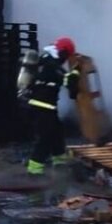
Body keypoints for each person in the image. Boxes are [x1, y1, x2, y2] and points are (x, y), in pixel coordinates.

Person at [25, 37, 81, 176]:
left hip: (46, 106)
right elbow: (70, 88)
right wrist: (76, 73)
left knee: (57, 132)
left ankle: (60, 163)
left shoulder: (46, 58)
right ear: (62, 52)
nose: (66, 59)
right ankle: (34, 172)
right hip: (42, 107)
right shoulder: (53, 65)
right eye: (66, 55)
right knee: (45, 139)